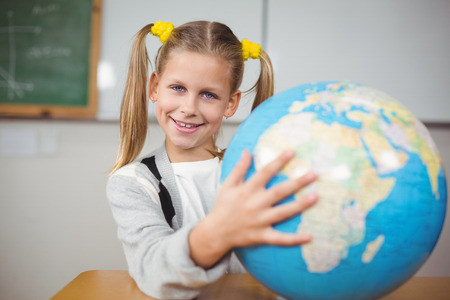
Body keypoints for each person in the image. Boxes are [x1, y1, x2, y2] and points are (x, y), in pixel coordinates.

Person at [107, 20, 318, 299]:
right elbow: (152, 269)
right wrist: (220, 231)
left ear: (230, 103)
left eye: (208, 94)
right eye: (178, 88)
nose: (189, 108)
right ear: (155, 87)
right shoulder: (132, 183)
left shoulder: (260, 173)